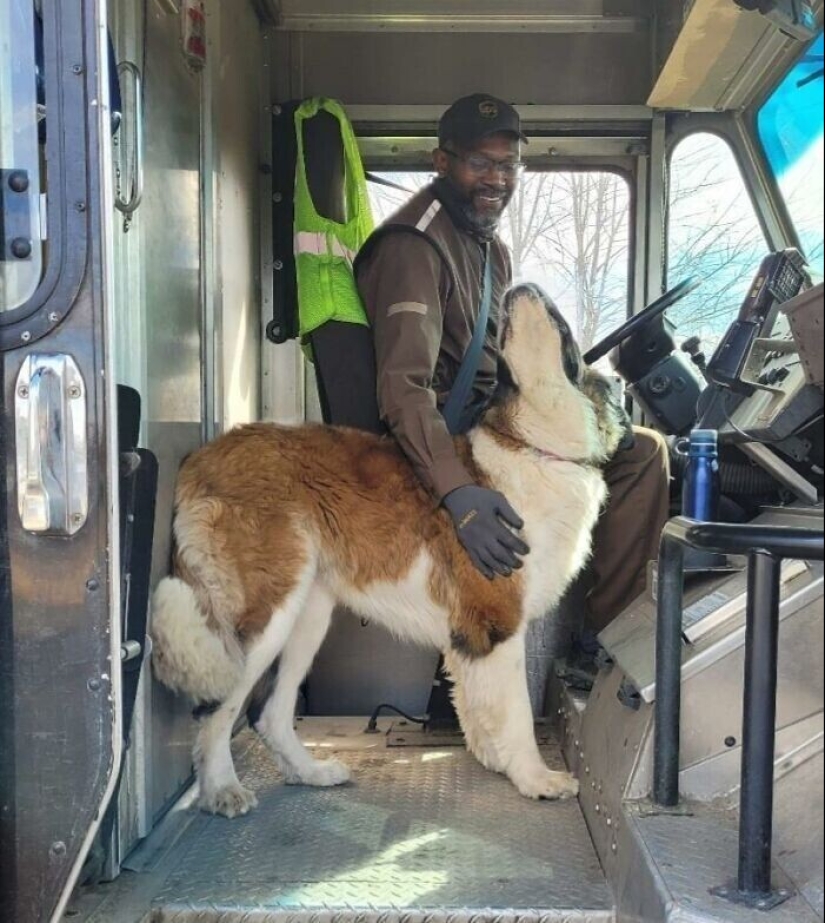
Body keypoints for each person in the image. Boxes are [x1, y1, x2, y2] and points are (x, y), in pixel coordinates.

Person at [354, 93, 670, 643]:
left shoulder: (487, 247)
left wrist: (591, 397)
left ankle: (617, 639)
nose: (496, 178)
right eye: (480, 163)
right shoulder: (414, 246)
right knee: (640, 460)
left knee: (636, 448)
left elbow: (500, 364)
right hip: (447, 444)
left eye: (508, 165)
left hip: (488, 426)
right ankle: (614, 642)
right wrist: (458, 494)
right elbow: (403, 391)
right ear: (442, 162)